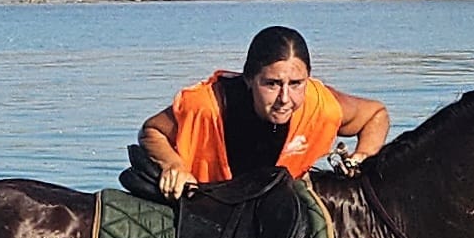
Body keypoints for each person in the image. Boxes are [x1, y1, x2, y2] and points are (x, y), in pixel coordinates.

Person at [139, 26, 389, 200]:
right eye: (271, 84)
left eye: (296, 84)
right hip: (207, 201)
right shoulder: (206, 105)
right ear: (249, 79)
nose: (284, 99)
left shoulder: (320, 105)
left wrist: (361, 158)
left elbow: (376, 116)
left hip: (279, 202)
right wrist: (174, 166)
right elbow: (151, 131)